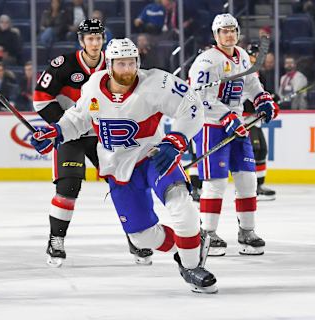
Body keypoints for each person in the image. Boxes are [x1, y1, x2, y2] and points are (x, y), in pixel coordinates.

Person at [31, 38, 217, 294]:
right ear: (109, 65)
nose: (127, 69)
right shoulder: (94, 87)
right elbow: (79, 118)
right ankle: (192, 244)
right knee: (142, 237)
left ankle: (192, 266)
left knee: (180, 203)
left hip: (153, 157)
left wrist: (177, 139)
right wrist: (56, 132)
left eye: (131, 63)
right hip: (118, 169)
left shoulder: (157, 83)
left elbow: (192, 106)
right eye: (121, 64)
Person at [33, 19, 153, 268]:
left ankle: (137, 237)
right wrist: (65, 125)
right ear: (82, 41)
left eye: (99, 37)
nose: (95, 42)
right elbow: (41, 99)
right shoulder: (63, 65)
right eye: (90, 38)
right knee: (68, 187)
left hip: (105, 136)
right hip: (73, 137)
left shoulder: (115, 64)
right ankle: (56, 240)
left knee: (124, 185)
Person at [188, 14, 279, 256]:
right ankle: (207, 233)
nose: (229, 35)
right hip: (210, 126)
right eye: (223, 31)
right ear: (215, 35)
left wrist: (263, 99)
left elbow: (251, 85)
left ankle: (246, 231)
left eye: (232, 30)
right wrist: (226, 116)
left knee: (248, 180)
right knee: (215, 183)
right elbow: (198, 96)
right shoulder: (206, 61)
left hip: (237, 125)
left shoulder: (241, 56)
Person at [245, 43, 276, 201]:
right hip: (244, 119)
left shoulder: (260, 75)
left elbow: (262, 94)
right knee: (255, 149)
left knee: (262, 149)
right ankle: (253, 188)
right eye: (255, 55)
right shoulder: (243, 72)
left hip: (254, 119)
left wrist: (271, 99)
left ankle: (259, 186)